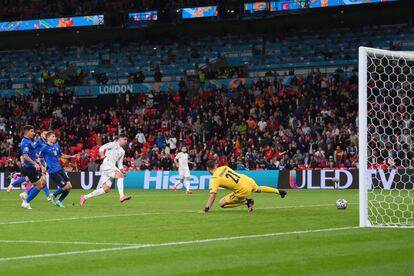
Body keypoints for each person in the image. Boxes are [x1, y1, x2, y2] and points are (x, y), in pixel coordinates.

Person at [201, 160, 287, 213]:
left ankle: (247, 202)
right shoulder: (224, 167)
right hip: (247, 180)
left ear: (208, 168)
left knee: (221, 204)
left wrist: (206, 208)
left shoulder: (215, 178)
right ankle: (278, 191)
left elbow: (212, 196)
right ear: (216, 165)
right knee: (259, 189)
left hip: (242, 190)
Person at [80, 134, 131, 206]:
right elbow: (101, 148)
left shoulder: (122, 151)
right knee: (120, 176)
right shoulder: (112, 144)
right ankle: (122, 196)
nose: (126, 141)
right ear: (120, 138)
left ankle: (84, 197)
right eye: (125, 139)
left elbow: (119, 163)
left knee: (105, 189)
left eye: (126, 140)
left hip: (111, 167)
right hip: (106, 165)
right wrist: (102, 156)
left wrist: (123, 171)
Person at [39, 131, 76, 208]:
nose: (54, 138)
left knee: (69, 186)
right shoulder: (44, 147)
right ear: (48, 138)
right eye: (52, 136)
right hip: (53, 171)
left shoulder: (56, 146)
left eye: (55, 136)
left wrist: (71, 156)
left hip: (60, 169)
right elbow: (40, 158)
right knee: (65, 187)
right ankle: (53, 195)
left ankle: (59, 201)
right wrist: (43, 166)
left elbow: (61, 155)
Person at [20, 125, 47, 210]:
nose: (33, 133)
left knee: (41, 183)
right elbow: (25, 156)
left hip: (31, 167)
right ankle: (26, 202)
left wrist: (39, 162)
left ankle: (25, 195)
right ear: (27, 132)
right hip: (30, 167)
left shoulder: (29, 141)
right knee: (39, 185)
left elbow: (32, 153)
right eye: (32, 131)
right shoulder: (25, 142)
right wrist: (34, 164)